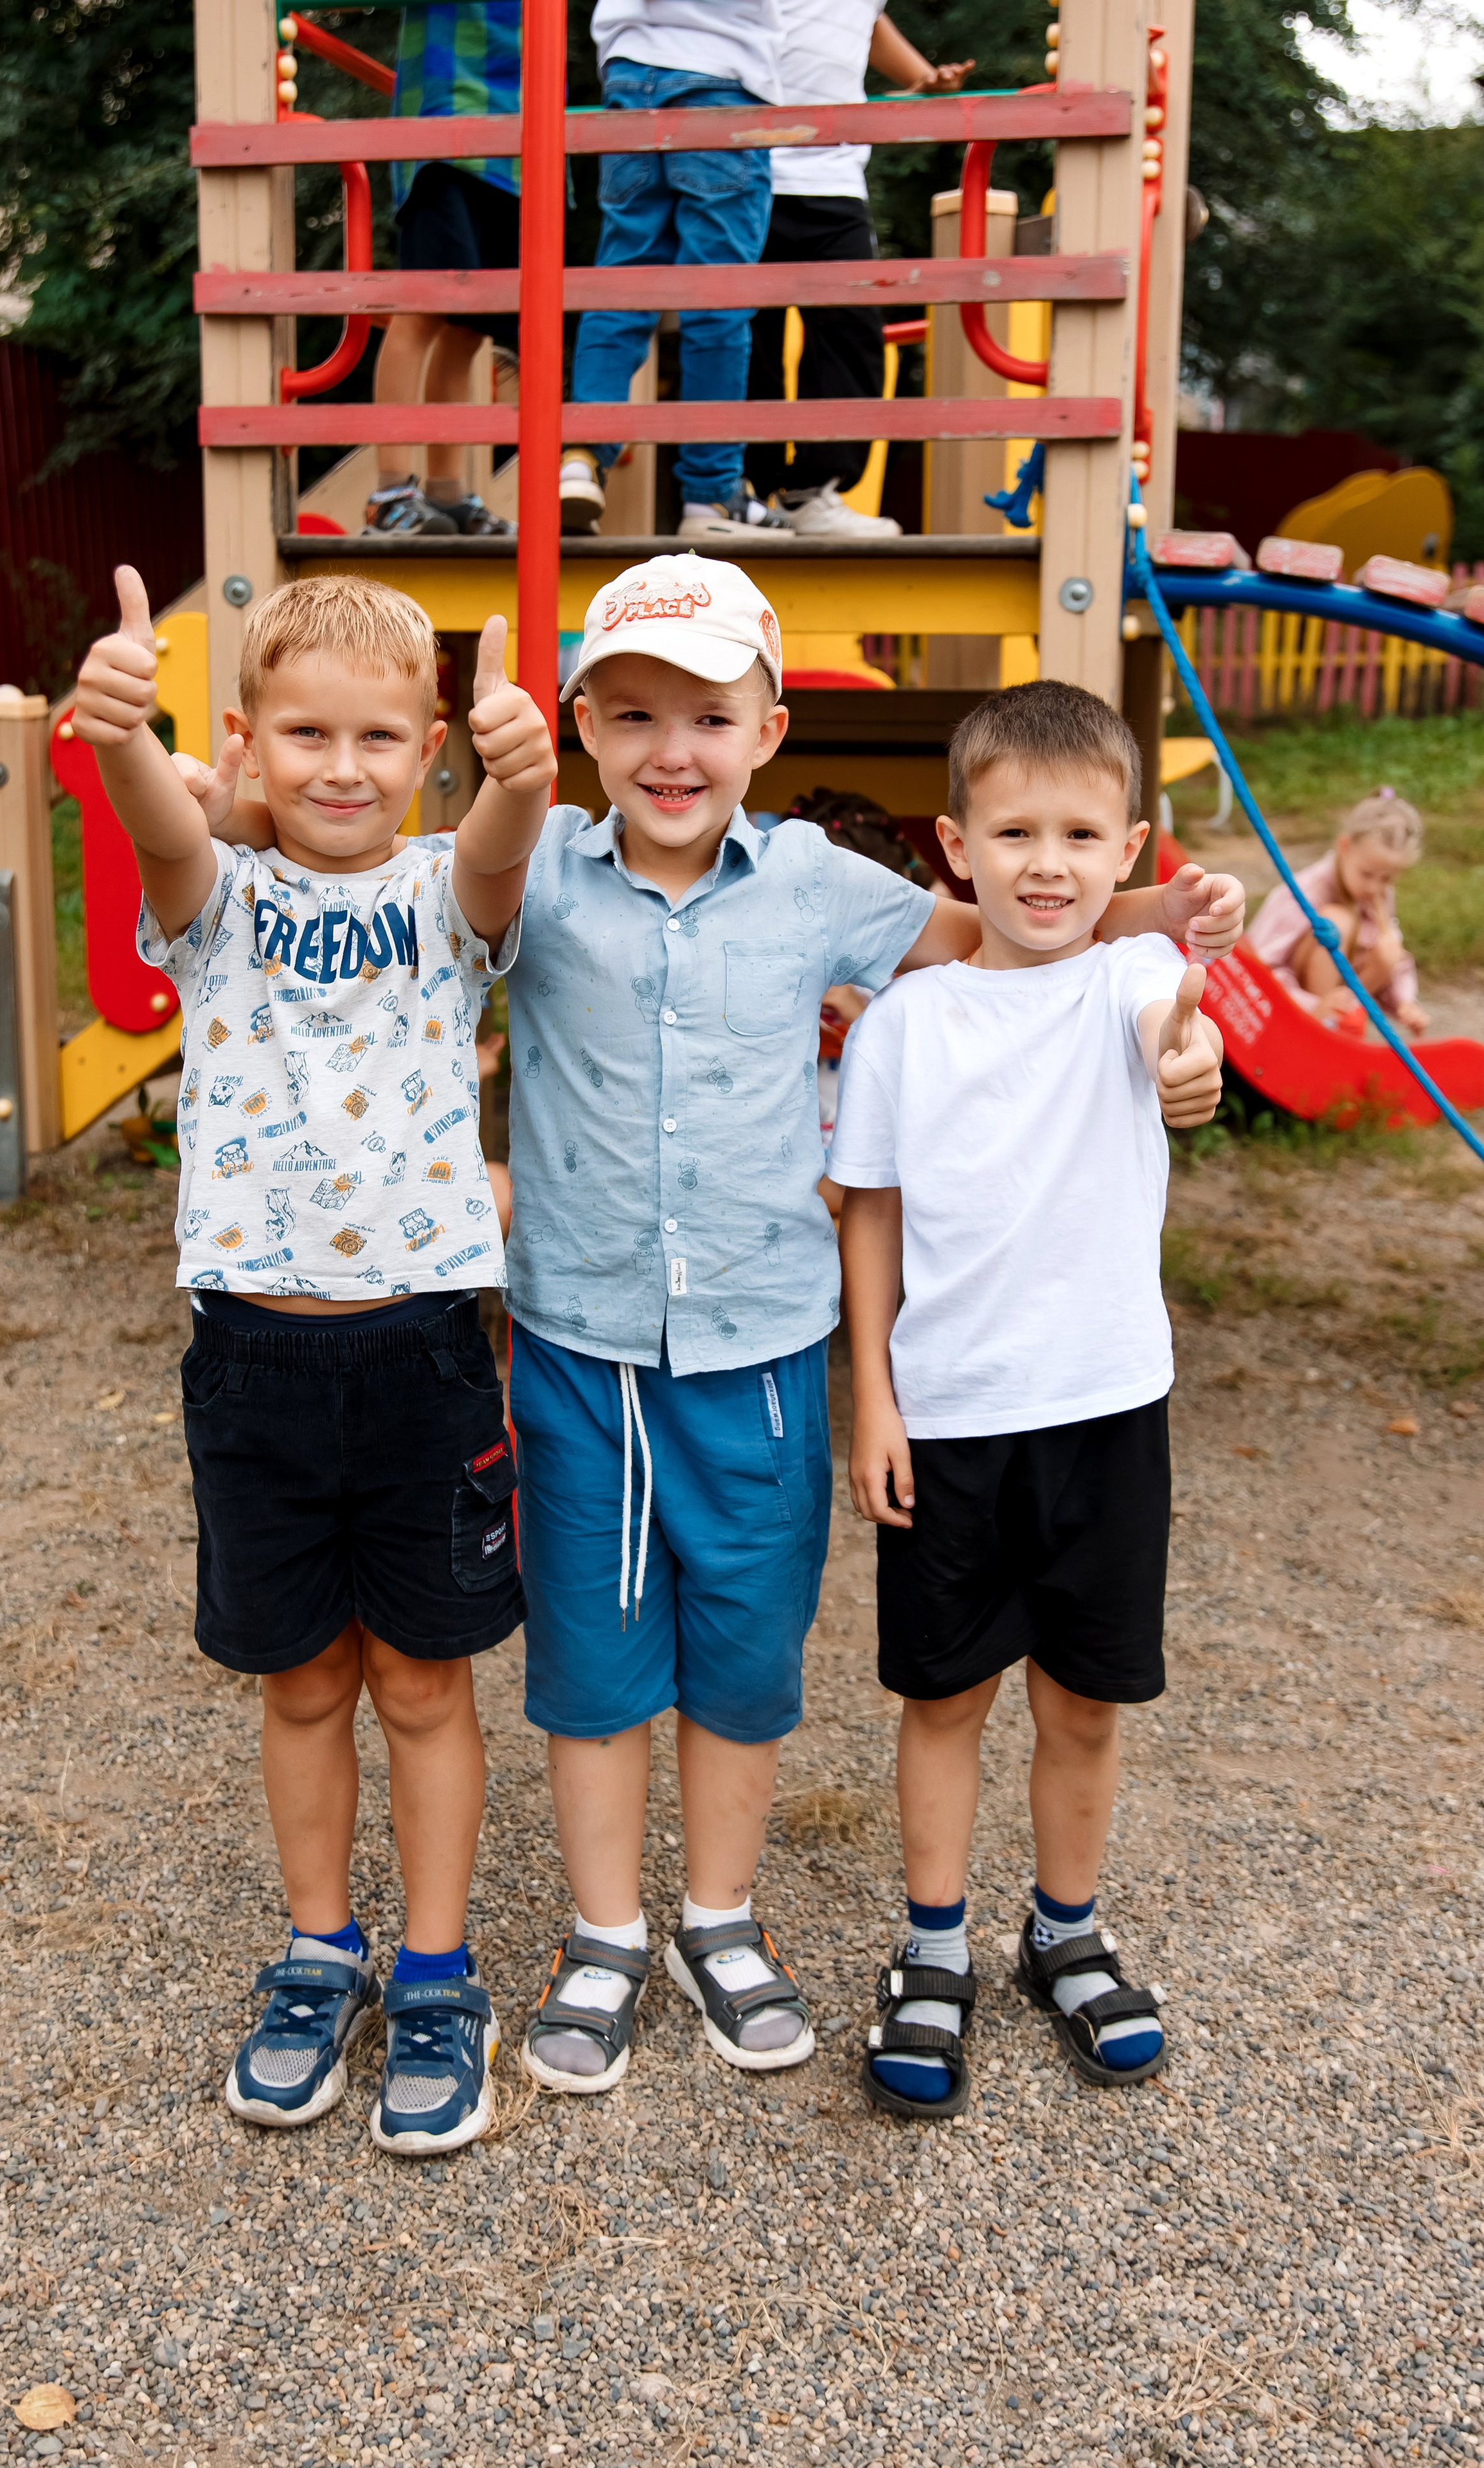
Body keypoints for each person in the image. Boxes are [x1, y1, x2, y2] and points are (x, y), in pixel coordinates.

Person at [485, 556, 1248, 2096]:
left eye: (710, 713)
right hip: (580, 1336)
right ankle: (602, 1930)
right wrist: (499, 783)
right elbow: (461, 883)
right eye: (630, 715)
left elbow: (989, 932)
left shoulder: (826, 888)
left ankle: (719, 1913)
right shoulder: (542, 870)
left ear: (768, 725)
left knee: (747, 1654)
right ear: (579, 727)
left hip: (764, 1338)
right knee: (589, 1652)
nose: (672, 749)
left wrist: (1157, 911)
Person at [71, 571, 556, 2156]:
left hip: (421, 1355)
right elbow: (154, 823)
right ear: (249, 746)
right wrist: (121, 728)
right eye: (304, 734)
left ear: (421, 749)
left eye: (375, 737)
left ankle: (433, 1970)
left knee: (421, 1677)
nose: (341, 766)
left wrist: (519, 772)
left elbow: (499, 848)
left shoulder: (441, 890)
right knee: (301, 1679)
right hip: (253, 1360)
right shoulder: (213, 898)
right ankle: (314, 1951)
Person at [830, 680, 1225, 2121]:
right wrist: (868, 1398)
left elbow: (1177, 1049)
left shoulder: (1128, 984)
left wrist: (1192, 1057)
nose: (1045, 863)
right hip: (944, 1415)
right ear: (955, 844)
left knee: (1084, 1701)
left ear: (1125, 850)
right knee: (944, 1698)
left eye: (1077, 833)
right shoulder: (903, 1027)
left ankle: (1062, 1928)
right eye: (1013, 832)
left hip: (1106, 1409)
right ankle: (930, 1947)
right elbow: (862, 1215)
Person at [560, 0, 795, 540]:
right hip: (720, 70)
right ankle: (710, 497)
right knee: (717, 299)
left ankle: (578, 460)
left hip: (628, 76)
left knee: (622, 284)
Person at [746, 6, 974, 538]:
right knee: (750, 332)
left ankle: (812, 492)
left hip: (835, 182)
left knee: (852, 329)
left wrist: (925, 78)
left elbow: (867, 27)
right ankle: (748, 491)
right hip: (751, 168)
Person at [367, 1, 521, 539]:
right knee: (426, 308)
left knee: (472, 329)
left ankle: (447, 494)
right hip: (448, 124)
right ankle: (390, 491)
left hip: (520, 143)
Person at [1245, 787, 1428, 1036]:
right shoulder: (1305, 893)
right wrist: (1312, 1006)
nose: (1375, 887)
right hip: (1285, 1009)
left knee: (1389, 949)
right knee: (1336, 924)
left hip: (1338, 998)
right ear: (1344, 846)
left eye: (1387, 879)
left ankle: (1342, 1026)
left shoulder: (1377, 895)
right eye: (1367, 874)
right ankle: (1321, 1031)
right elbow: (1261, 967)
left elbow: (1396, 959)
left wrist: (1404, 1003)